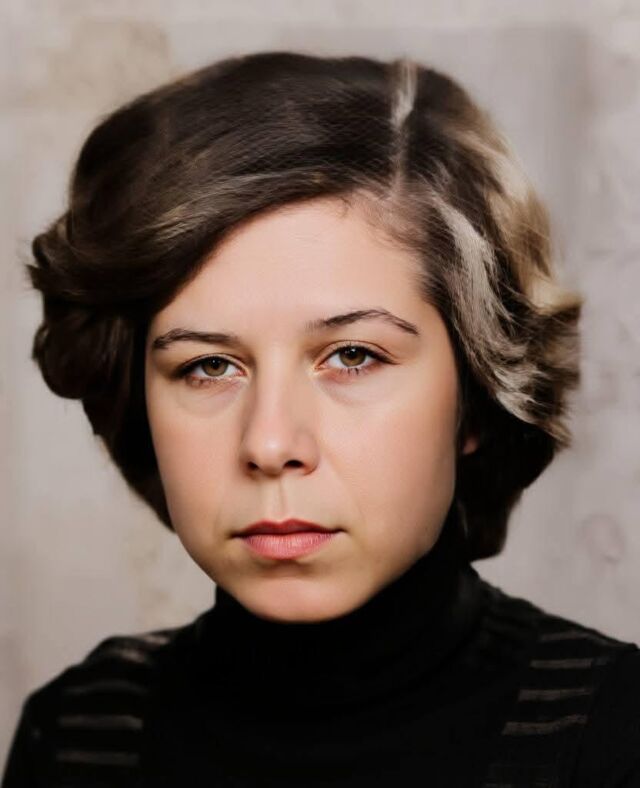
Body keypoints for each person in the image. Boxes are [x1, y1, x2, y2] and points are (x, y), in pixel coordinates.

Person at [2, 51, 639, 787]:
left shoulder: (612, 738)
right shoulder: (78, 736)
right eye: (209, 366)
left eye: (353, 356)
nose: (271, 443)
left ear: (477, 395)